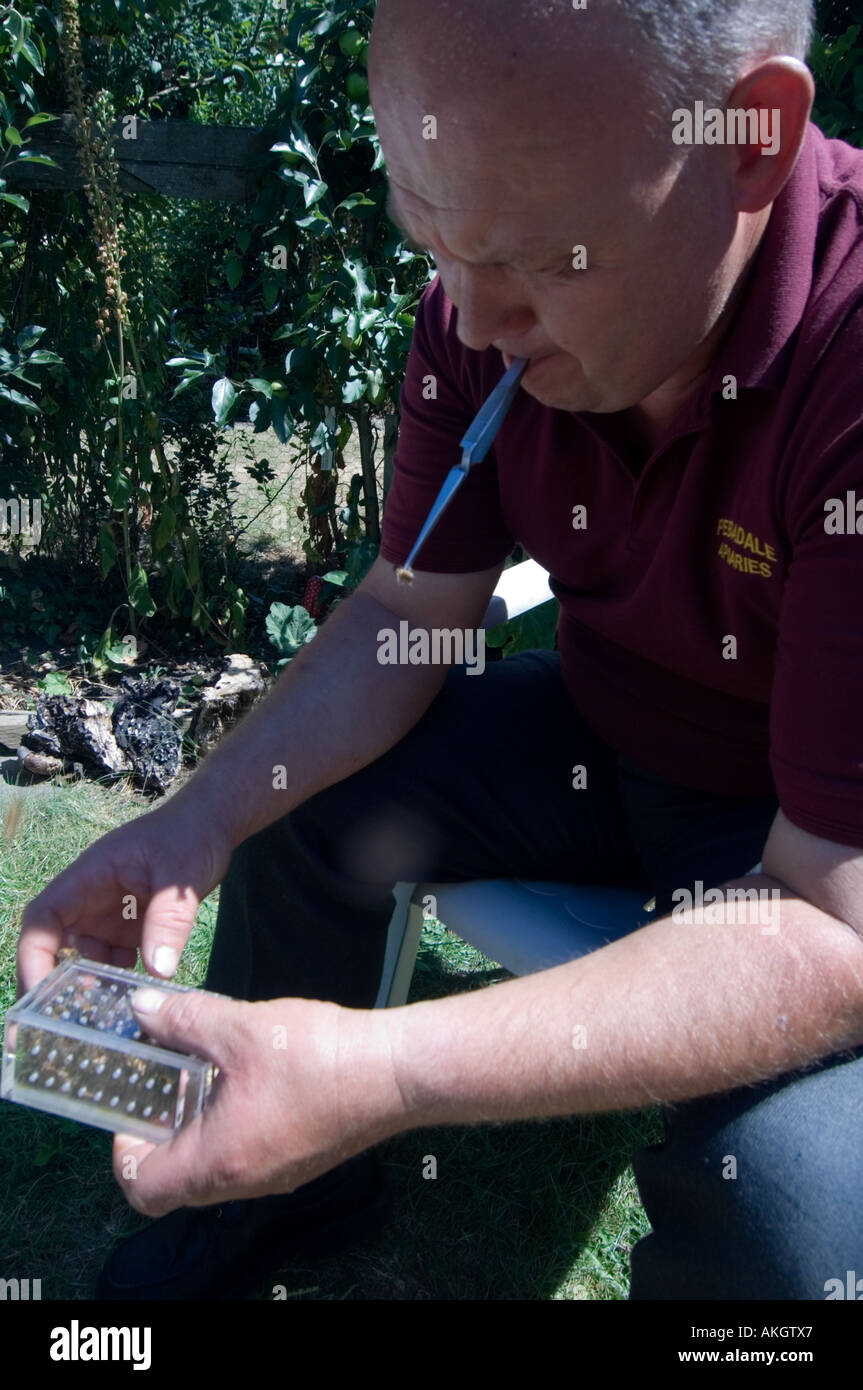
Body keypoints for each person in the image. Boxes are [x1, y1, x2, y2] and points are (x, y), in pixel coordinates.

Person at [18, 0, 863, 1301]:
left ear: (752, 137)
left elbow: (830, 918)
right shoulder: (484, 311)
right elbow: (402, 615)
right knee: (308, 801)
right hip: (603, 734)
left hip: (803, 841)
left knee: (796, 1224)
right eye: (434, 244)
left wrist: (383, 1073)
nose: (470, 323)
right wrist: (198, 819)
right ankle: (283, 1196)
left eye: (541, 258)